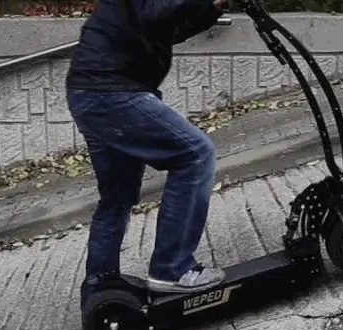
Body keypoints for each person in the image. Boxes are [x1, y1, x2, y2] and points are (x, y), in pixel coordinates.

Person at [66, 0, 227, 307]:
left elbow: (168, 27)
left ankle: (100, 289)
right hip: (111, 92)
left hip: (93, 92)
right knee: (195, 154)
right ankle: (172, 269)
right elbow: (158, 13)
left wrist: (212, 7)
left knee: (117, 196)